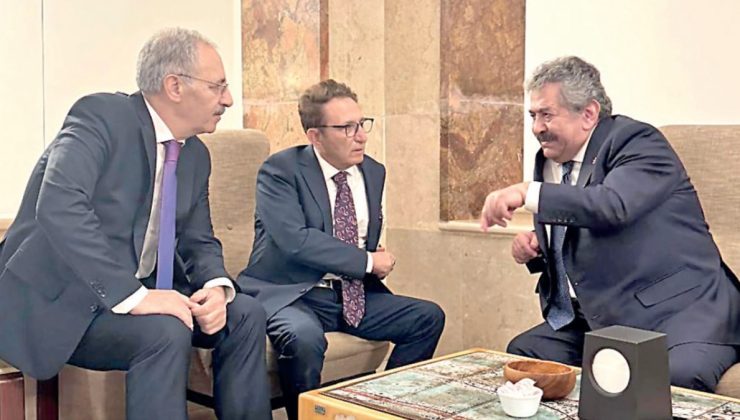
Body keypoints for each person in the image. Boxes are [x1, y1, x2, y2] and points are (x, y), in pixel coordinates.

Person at [0, 28, 271, 419]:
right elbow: (60, 205)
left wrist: (216, 286)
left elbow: (198, 239)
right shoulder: (100, 117)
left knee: (244, 313)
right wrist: (136, 296)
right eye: (218, 87)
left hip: (137, 295)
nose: (227, 99)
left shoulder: (195, 155)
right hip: (65, 301)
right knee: (165, 332)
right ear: (174, 86)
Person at [480, 56, 740, 392]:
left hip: (683, 314)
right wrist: (537, 247)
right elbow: (583, 221)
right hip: (605, 318)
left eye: (547, 114)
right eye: (533, 115)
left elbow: (612, 205)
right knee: (527, 356)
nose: (537, 127)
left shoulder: (637, 142)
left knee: (673, 380)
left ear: (589, 113)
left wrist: (526, 192)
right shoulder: (551, 159)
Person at [237, 79, 445, 420]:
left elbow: (357, 229)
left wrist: (370, 251)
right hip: (293, 293)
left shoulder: (373, 171)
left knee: (427, 317)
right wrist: (366, 260)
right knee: (303, 338)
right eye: (347, 128)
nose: (361, 136)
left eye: (362, 124)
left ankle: (380, 411)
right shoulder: (281, 171)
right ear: (315, 136)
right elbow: (295, 240)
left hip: (350, 293)